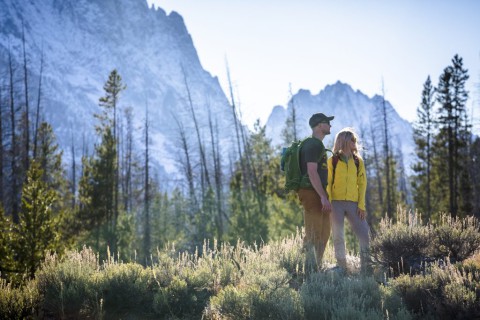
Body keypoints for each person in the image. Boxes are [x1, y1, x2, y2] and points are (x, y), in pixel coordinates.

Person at [326, 128, 370, 274]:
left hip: (354, 203)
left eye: (355, 140)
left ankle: (366, 269)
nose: (355, 142)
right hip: (336, 203)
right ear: (343, 141)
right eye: (352, 139)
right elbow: (328, 183)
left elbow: (362, 184)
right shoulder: (333, 160)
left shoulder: (358, 161)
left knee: (364, 234)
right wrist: (329, 203)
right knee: (338, 236)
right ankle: (342, 268)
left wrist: (361, 205)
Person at [298, 112, 334, 268]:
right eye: (327, 122)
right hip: (311, 193)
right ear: (319, 125)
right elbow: (312, 172)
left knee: (325, 231)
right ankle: (304, 269)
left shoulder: (317, 145)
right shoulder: (312, 145)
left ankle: (315, 267)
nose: (330, 125)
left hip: (319, 193)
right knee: (313, 234)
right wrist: (322, 197)